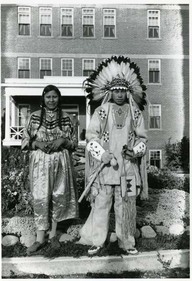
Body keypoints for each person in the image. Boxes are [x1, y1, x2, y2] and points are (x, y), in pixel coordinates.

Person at [79, 56, 148, 255]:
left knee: (125, 206)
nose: (119, 94)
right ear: (110, 92)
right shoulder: (101, 111)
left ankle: (127, 242)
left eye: (123, 91)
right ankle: (97, 240)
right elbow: (90, 138)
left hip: (127, 169)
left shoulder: (135, 114)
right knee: (101, 205)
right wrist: (102, 155)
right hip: (105, 170)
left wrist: (134, 151)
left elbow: (143, 140)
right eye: (116, 91)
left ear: (128, 92)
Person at [21, 84, 79, 255]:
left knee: (58, 195)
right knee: (40, 196)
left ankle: (53, 235)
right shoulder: (34, 117)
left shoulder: (67, 118)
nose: (51, 100)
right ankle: (40, 238)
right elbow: (25, 141)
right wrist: (37, 143)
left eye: (54, 97)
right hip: (40, 161)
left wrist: (63, 141)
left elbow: (74, 142)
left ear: (59, 98)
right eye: (48, 97)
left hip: (61, 160)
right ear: (43, 98)